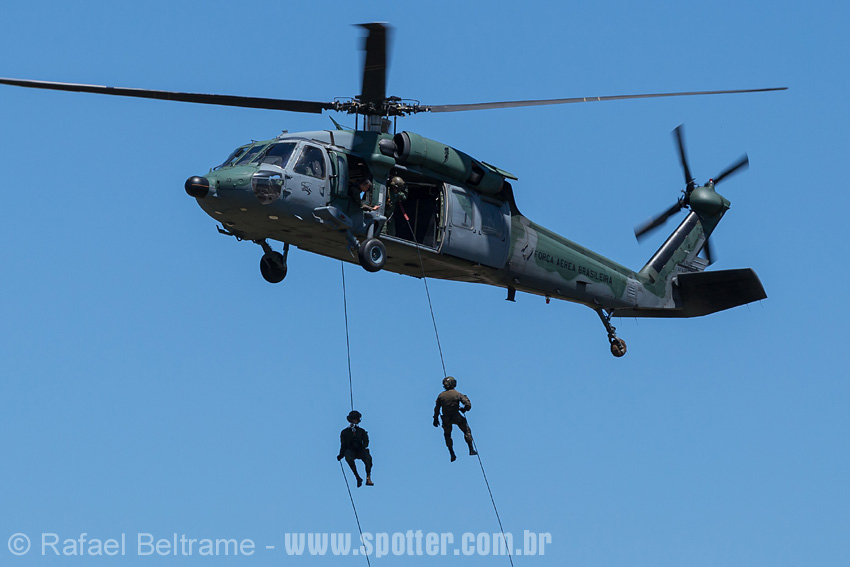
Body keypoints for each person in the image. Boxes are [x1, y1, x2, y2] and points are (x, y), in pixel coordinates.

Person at [433, 376, 477, 462]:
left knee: (447, 435)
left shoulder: (441, 396)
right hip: (457, 417)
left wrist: (435, 419)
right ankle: (471, 449)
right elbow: (468, 405)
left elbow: (437, 409)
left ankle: (452, 454)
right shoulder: (457, 394)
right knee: (466, 431)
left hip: (446, 419)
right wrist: (464, 409)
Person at [337, 410, 373, 487]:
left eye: (356, 419)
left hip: (360, 450)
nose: (355, 421)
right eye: (353, 419)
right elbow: (343, 445)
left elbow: (366, 442)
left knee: (368, 459)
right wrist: (341, 454)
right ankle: (357, 477)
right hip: (351, 450)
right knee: (348, 457)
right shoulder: (345, 432)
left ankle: (368, 478)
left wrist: (362, 446)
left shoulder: (361, 431)